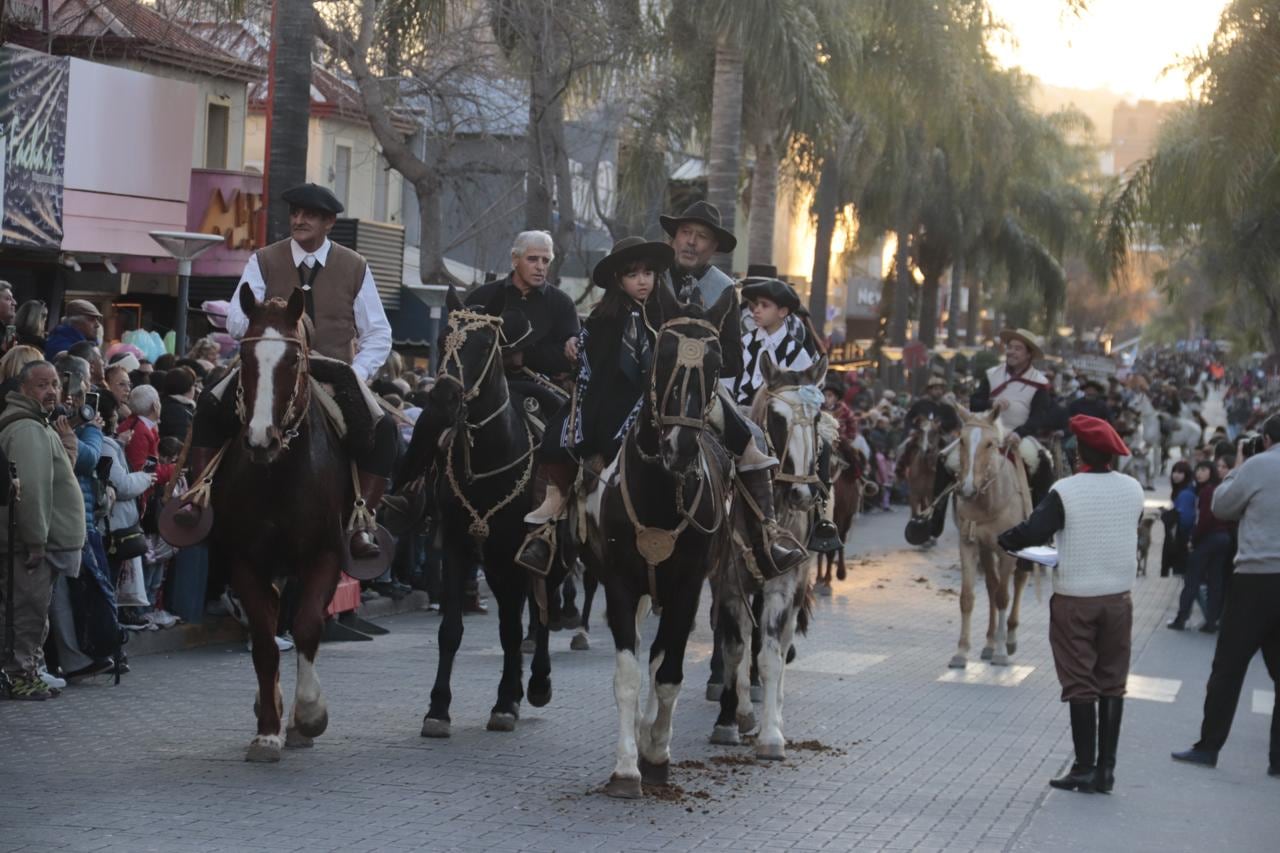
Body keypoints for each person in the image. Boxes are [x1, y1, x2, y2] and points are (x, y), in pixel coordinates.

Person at [183, 183, 396, 559]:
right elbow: (236, 314)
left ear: (329, 222)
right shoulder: (263, 259)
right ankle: (198, 497)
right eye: (295, 213)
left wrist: (356, 374)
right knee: (210, 404)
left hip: (332, 369)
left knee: (384, 427)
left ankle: (363, 519)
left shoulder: (355, 266)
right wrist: (256, 323)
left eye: (309, 215)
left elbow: (378, 333)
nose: (299, 220)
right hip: (269, 362)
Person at [998, 414, 1144, 794]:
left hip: (1076, 598)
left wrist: (1005, 539)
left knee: (1080, 682)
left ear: (1078, 450)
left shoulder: (1067, 490)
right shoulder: (1133, 488)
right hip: (1118, 599)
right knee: (1113, 682)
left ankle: (1082, 767)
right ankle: (1106, 771)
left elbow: (1033, 531)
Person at [517, 237, 672, 572]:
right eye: (633, 274)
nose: (643, 280)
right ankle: (548, 521)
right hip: (605, 402)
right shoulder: (602, 320)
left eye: (648, 273)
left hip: (656, 403)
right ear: (619, 280)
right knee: (555, 440)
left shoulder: (667, 317)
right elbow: (590, 374)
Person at [1172, 414, 1280, 779]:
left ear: (1265, 439)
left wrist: (1238, 464)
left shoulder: (1259, 465)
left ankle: (1208, 747)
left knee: (1228, 668)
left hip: (1256, 578)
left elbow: (1221, 505)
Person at [0, 362, 87, 700]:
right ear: (23, 389)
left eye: (55, 384)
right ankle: (21, 675)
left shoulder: (39, 425)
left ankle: (28, 671)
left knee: (30, 611)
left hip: (34, 541)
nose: (52, 391)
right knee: (28, 611)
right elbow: (33, 489)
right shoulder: (28, 429)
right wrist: (36, 540)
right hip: (30, 544)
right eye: (42, 385)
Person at [728, 277, 814, 406]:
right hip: (738, 417)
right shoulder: (743, 343)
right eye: (756, 304)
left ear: (782, 312)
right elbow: (727, 383)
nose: (756, 310)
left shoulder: (795, 352)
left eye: (765, 305)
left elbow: (807, 393)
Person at [1168, 460, 1232, 632]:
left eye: (1204, 469)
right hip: (1223, 538)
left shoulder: (1207, 492)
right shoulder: (1219, 489)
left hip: (1209, 538)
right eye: (1198, 469)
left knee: (1192, 579)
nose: (1199, 473)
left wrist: (1193, 540)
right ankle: (1211, 622)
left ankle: (1181, 618)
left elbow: (1203, 519)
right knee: (1215, 581)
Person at [660, 200, 737, 308]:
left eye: (702, 236)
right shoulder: (653, 276)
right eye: (686, 232)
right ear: (674, 237)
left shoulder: (724, 289)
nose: (691, 241)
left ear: (714, 246)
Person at [1160, 460, 1195, 579]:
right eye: (1174, 471)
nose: (1176, 474)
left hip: (1183, 542)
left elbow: (1185, 520)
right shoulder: (1181, 491)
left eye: (1180, 472)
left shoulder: (1185, 494)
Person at [159, 366, 198, 442]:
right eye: (194, 385)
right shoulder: (179, 412)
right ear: (188, 388)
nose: (196, 389)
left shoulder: (164, 401)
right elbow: (181, 441)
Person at [0, 281, 16, 354]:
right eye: (8, 299)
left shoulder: (5, 326)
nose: (14, 303)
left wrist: (11, 324)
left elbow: (9, 350)